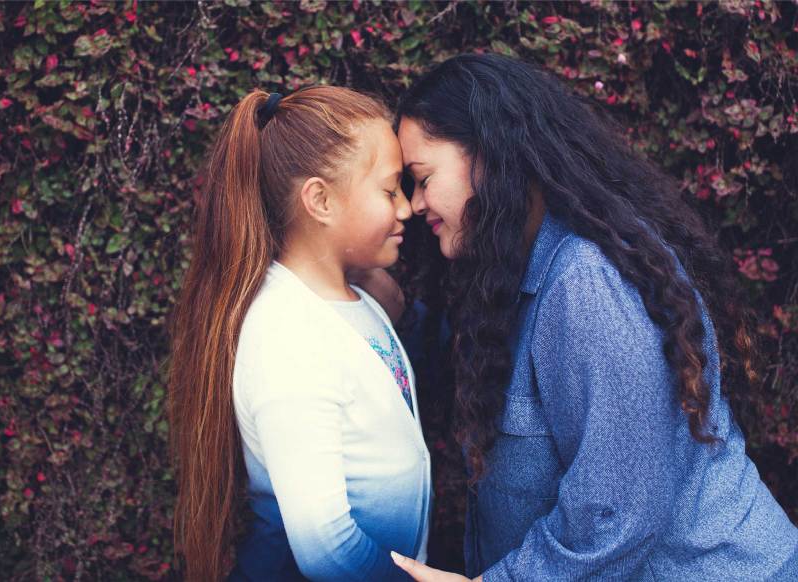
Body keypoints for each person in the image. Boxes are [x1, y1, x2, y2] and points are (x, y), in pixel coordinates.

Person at [383, 53, 798, 581]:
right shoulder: (514, 272)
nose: (415, 205)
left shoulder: (586, 281)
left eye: (421, 178)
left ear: (490, 153)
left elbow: (618, 510)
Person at [168, 86, 431, 581]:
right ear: (320, 200)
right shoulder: (286, 334)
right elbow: (325, 547)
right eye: (389, 189)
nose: (406, 209)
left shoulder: (353, 304)